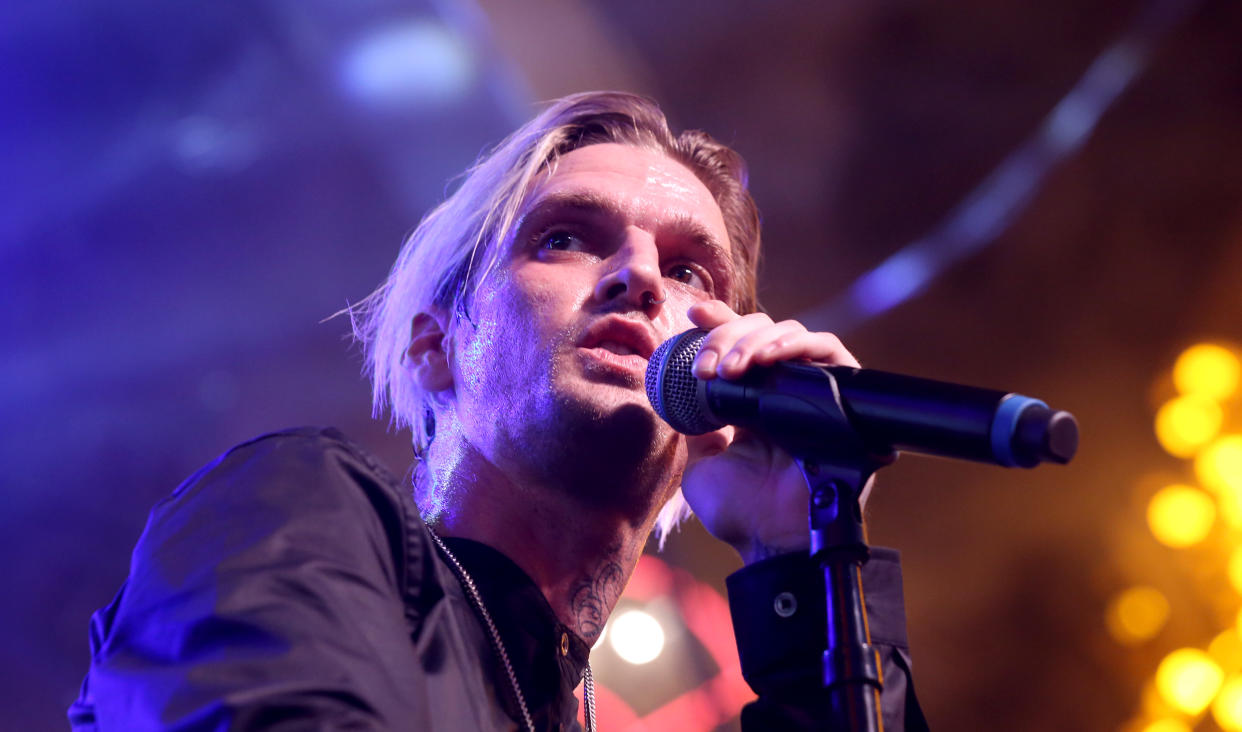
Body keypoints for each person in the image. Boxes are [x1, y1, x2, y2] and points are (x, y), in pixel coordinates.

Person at [69, 91, 927, 730]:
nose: (639, 277)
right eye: (563, 237)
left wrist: (802, 554)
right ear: (435, 344)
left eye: (690, 272)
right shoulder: (296, 502)